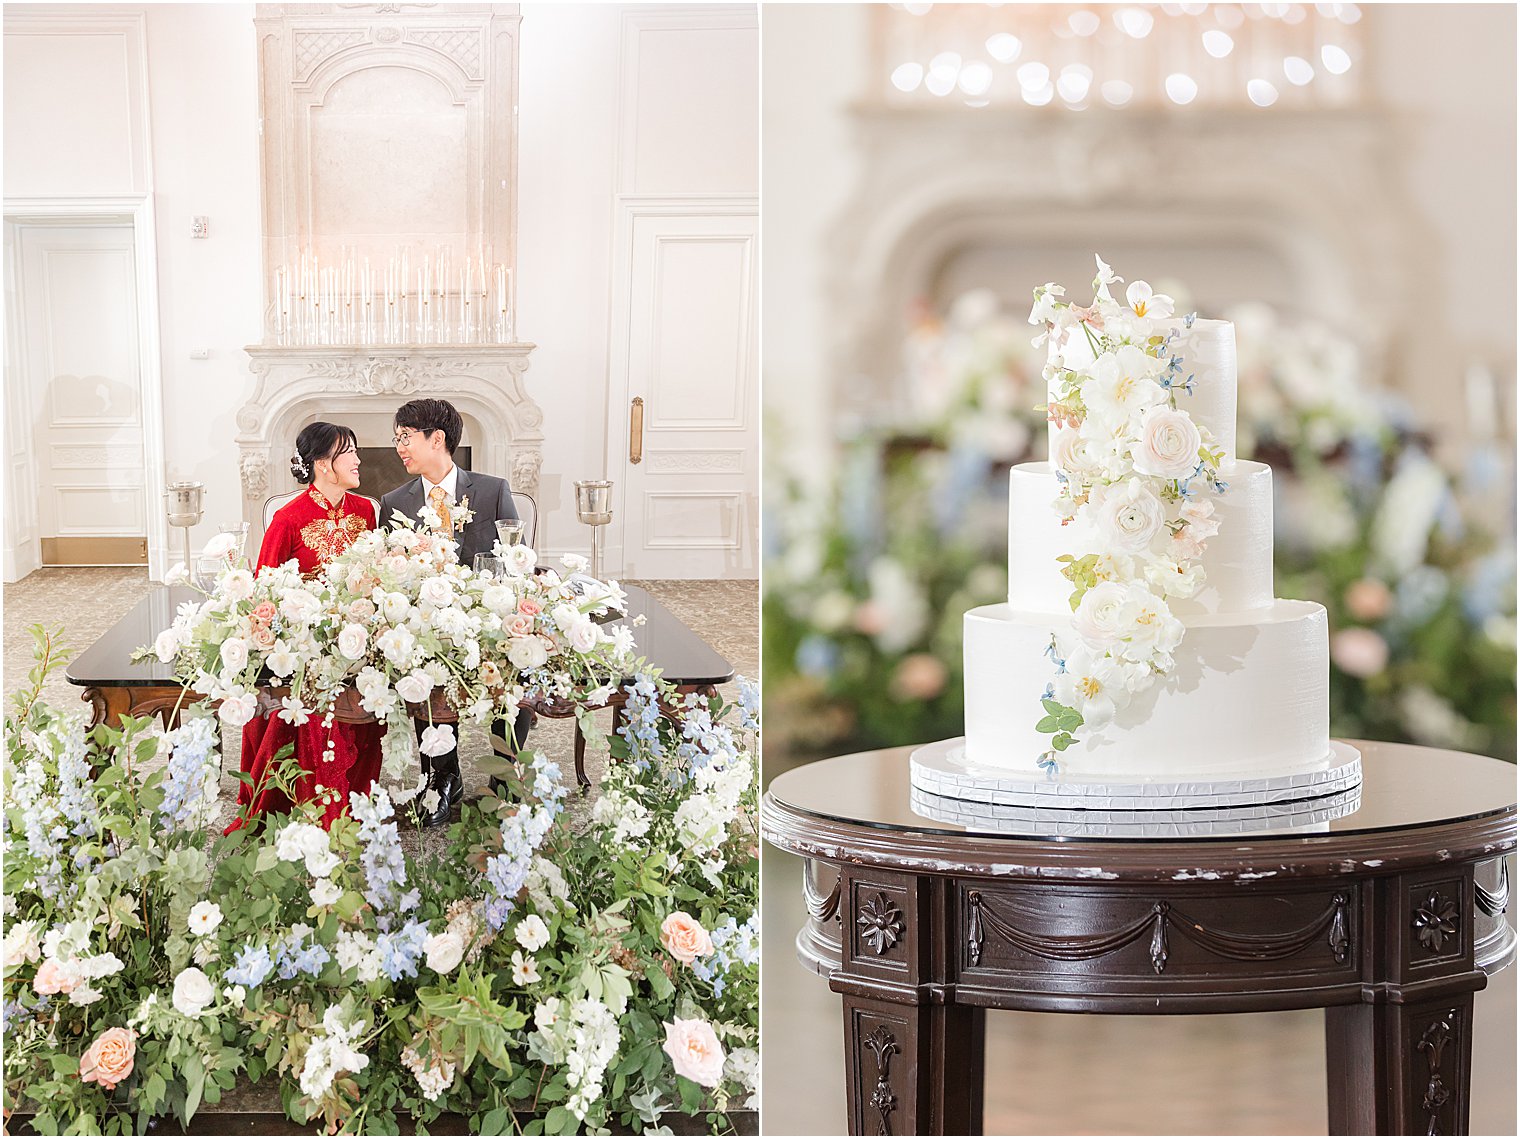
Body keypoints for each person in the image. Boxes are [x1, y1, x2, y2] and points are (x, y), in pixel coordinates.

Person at [378, 397, 530, 826]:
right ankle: (442, 779)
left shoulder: (492, 489)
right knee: (422, 672)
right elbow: (390, 575)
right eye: (396, 440)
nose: (399, 448)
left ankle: (505, 778)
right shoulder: (394, 502)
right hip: (426, 624)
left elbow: (515, 561)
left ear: (437, 438)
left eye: (405, 438)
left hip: (486, 620)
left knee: (519, 666)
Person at [226, 422, 384, 834]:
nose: (358, 460)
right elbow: (264, 590)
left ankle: (352, 798)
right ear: (322, 464)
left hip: (358, 640)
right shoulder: (288, 518)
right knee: (310, 705)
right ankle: (319, 809)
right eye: (348, 452)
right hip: (304, 647)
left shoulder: (365, 511)